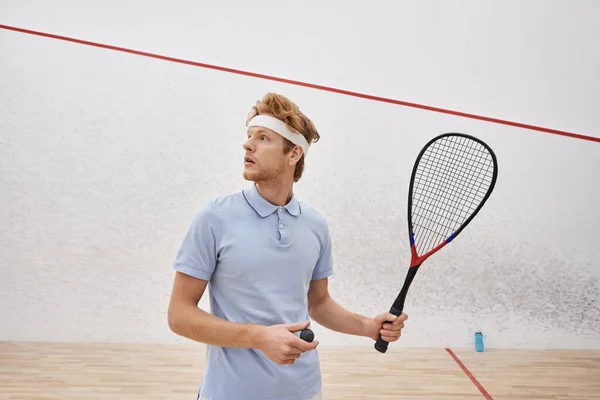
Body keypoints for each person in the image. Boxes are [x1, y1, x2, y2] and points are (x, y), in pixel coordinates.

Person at [167, 93, 408, 400]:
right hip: (229, 392)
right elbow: (179, 315)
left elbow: (318, 303)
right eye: (249, 136)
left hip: (304, 391)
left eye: (263, 137)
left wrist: (368, 326)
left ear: (293, 154)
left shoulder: (315, 225)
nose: (248, 145)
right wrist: (259, 337)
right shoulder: (214, 218)